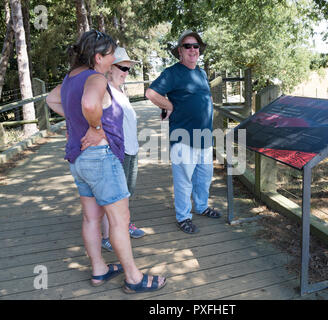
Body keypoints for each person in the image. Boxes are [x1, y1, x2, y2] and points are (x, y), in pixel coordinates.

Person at [46, 30, 166, 293]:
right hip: (100, 156)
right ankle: (134, 278)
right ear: (99, 57)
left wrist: (76, 120)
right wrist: (96, 126)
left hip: (78, 159)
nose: (113, 60)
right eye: (111, 55)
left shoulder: (70, 78)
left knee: (91, 218)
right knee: (119, 220)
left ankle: (99, 269)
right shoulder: (95, 77)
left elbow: (51, 99)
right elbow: (90, 103)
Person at [145, 30, 221, 234]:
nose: (193, 50)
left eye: (196, 46)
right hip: (183, 137)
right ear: (180, 51)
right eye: (188, 46)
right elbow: (151, 93)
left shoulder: (202, 73)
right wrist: (168, 106)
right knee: (184, 180)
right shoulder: (172, 73)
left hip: (204, 136)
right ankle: (183, 216)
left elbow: (205, 99)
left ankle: (202, 206)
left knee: (204, 176)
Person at [100, 47, 145, 252]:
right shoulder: (105, 89)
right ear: (111, 67)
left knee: (127, 192)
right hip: (117, 151)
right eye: (122, 68)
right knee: (114, 195)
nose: (126, 73)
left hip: (131, 149)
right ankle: (107, 235)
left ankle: (125, 224)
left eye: (128, 69)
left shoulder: (121, 90)